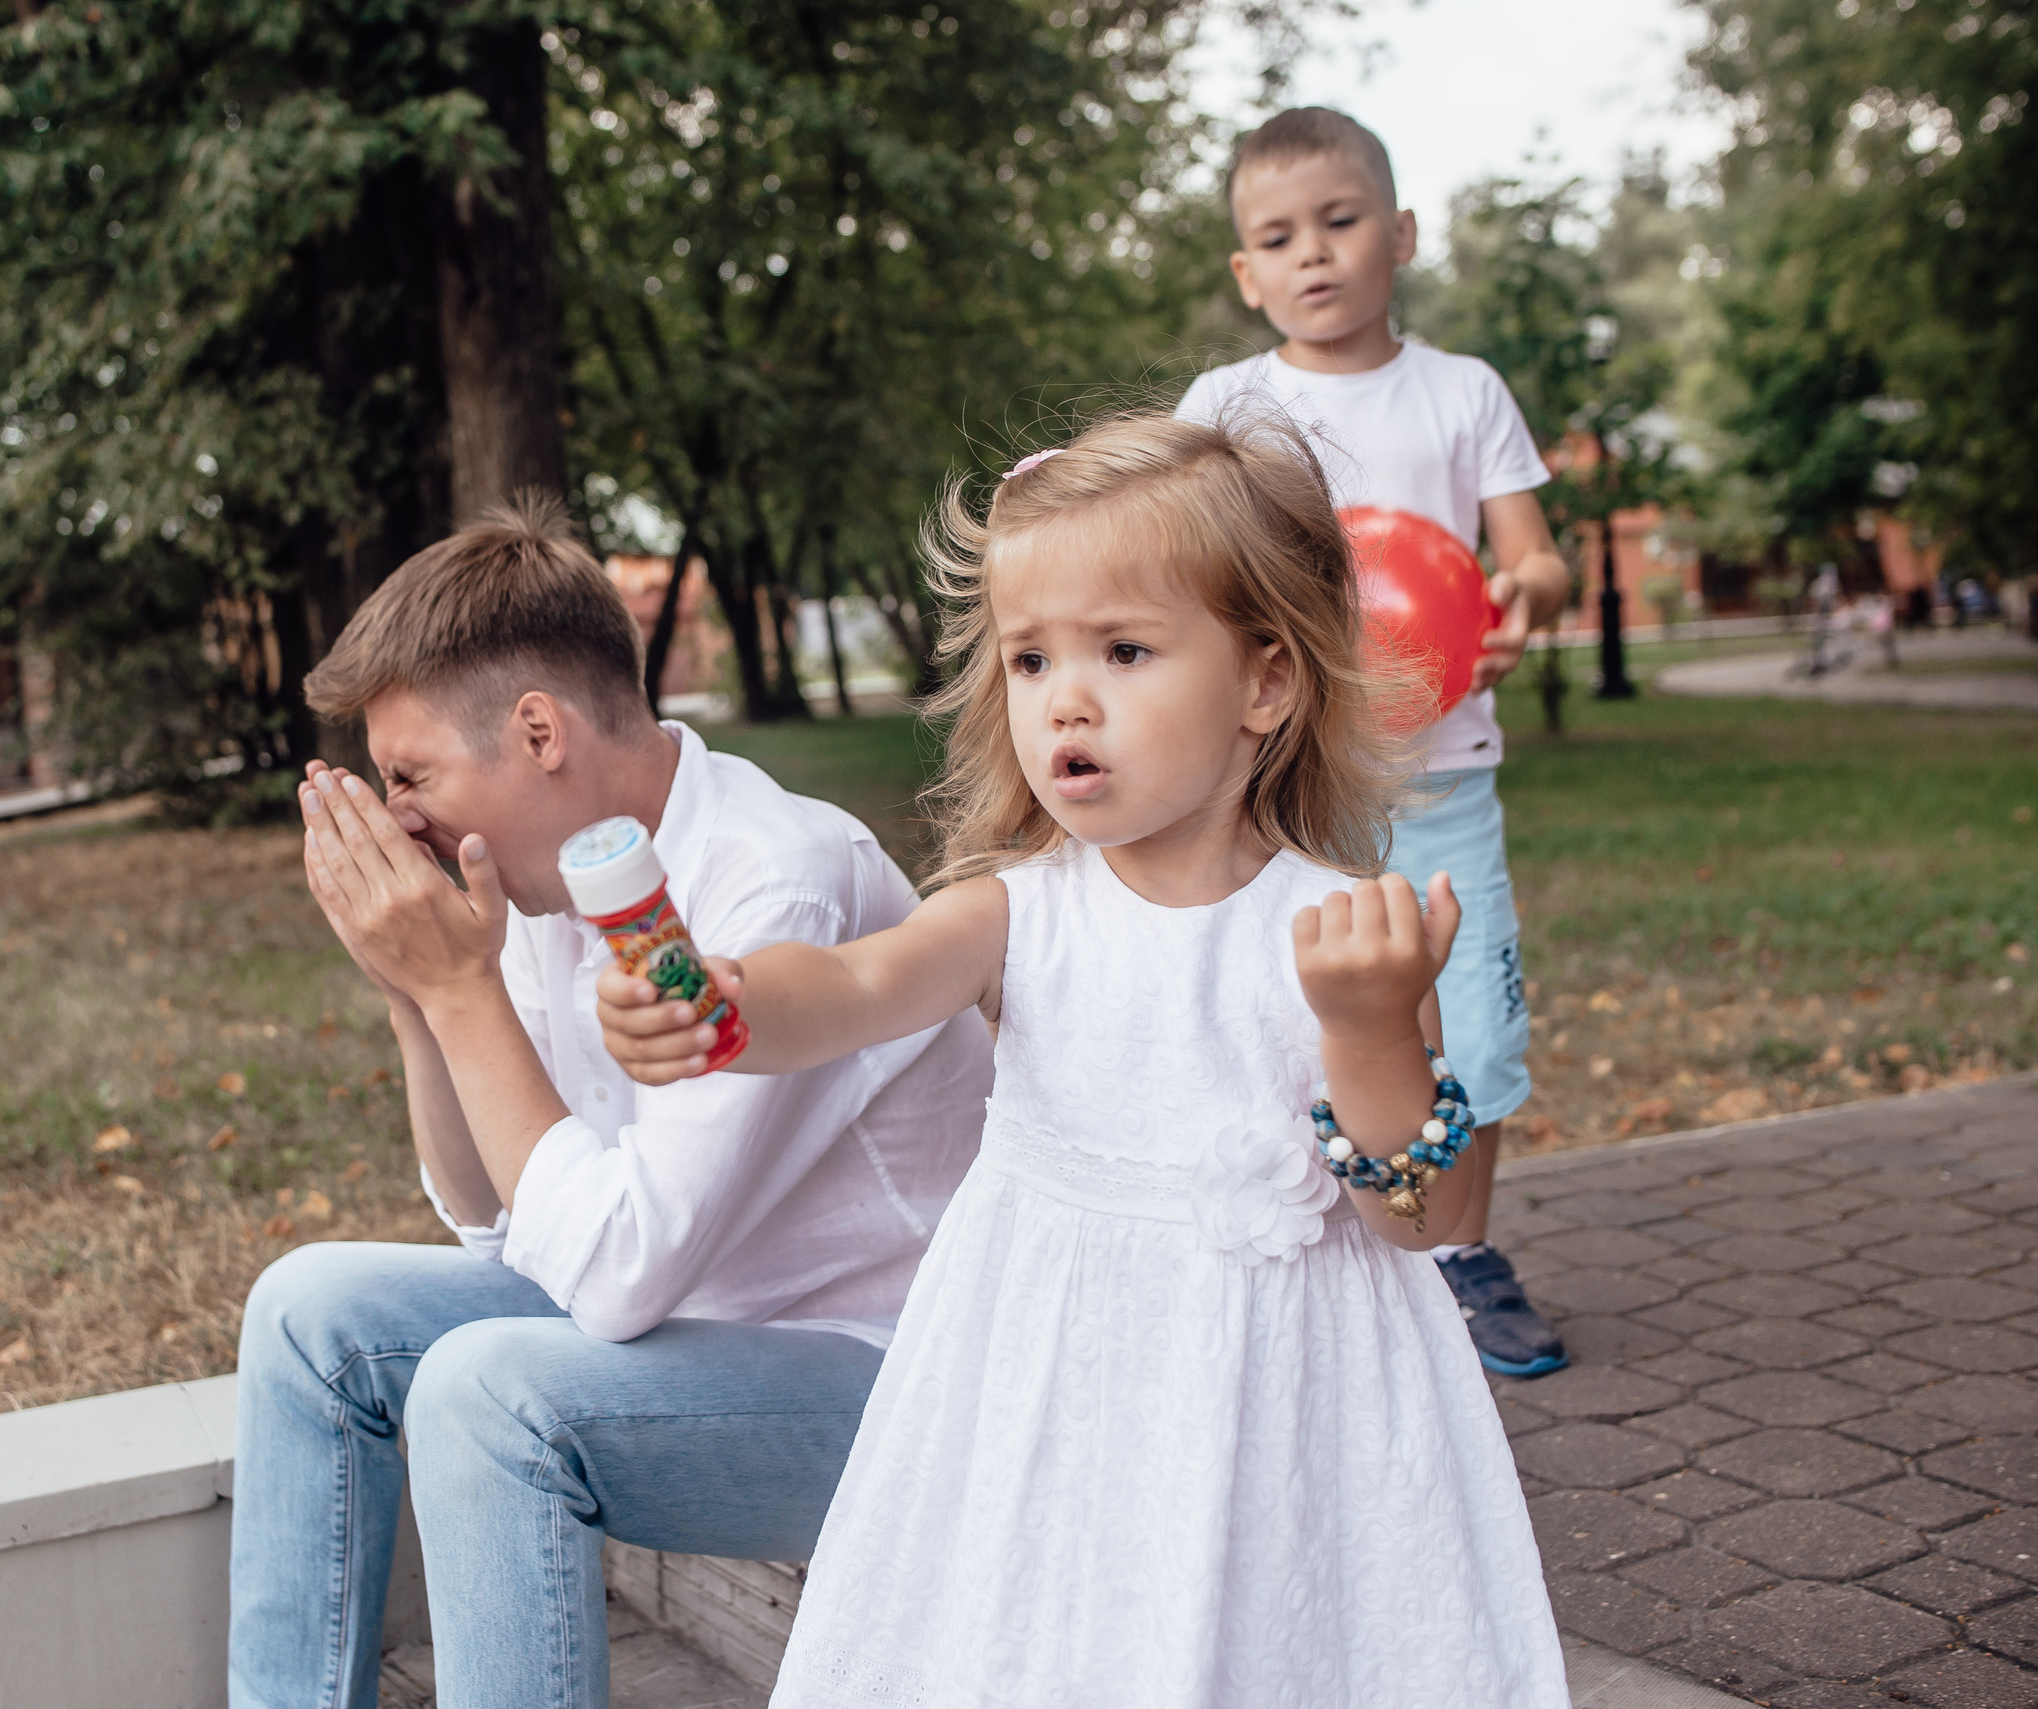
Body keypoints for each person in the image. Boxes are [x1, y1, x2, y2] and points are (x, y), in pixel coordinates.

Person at [597, 412, 1566, 1706]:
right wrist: (722, 1005)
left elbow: (1426, 1215)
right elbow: (848, 985)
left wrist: (1371, 1026)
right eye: (1030, 656)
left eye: (1123, 648)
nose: (1066, 694)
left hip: (1285, 1420)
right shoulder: (1016, 913)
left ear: (1265, 682)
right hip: (1053, 1396)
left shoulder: (1340, 928)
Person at [229, 497, 993, 1709]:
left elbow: (617, 1273)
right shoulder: (554, 872)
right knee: (307, 1310)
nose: (404, 820)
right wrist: (418, 999)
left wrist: (461, 989)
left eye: (411, 774)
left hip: (893, 1377)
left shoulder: (768, 880)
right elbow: (494, 1221)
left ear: (537, 730)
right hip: (703, 1321)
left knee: (486, 1396)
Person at [1174, 108, 1575, 1377]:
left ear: (1397, 233)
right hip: (1288, 788)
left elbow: (1534, 557)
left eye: (1339, 223)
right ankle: (1286, 1243)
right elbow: (1175, 544)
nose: (1312, 255)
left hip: (1444, 779)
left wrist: (1532, 598)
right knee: (1288, 1020)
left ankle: (1460, 1254)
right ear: (1245, 272)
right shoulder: (1229, 403)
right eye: (1276, 238)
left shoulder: (1463, 393)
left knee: (1469, 1026)